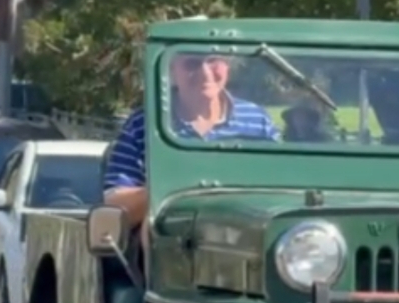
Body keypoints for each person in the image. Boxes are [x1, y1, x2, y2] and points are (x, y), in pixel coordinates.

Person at [104, 52, 281, 230]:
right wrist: (180, 188)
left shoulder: (257, 120)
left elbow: (283, 187)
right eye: (192, 63)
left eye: (214, 61)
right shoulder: (144, 124)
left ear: (227, 66)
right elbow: (116, 207)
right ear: (172, 71)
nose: (205, 73)